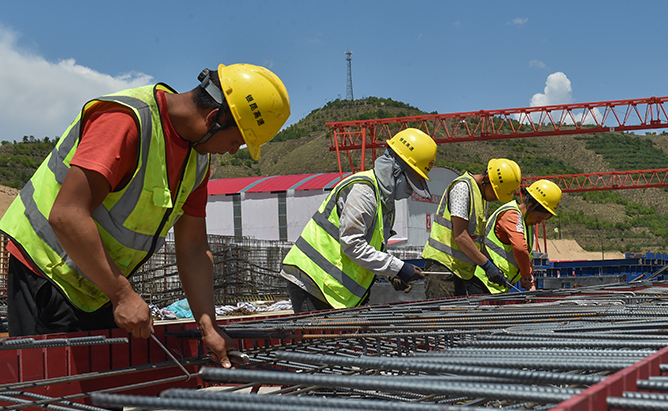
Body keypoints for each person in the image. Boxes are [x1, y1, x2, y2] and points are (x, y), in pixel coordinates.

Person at [0, 63, 291, 368]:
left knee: (105, 397)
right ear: (212, 120)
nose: (233, 152)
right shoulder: (126, 122)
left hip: (100, 284)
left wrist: (209, 326)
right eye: (237, 141)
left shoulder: (198, 162)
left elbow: (192, 247)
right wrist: (123, 295)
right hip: (48, 272)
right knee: (51, 398)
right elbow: (66, 214)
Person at [281, 128, 436, 312]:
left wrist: (390, 274)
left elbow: (371, 250)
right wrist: (398, 268)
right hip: (312, 280)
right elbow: (352, 245)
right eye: (410, 183)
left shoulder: (384, 204)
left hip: (331, 287)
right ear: (395, 170)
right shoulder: (364, 192)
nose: (410, 191)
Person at [422, 158, 522, 299]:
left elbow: (477, 241)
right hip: (443, 269)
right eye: (495, 193)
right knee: (442, 319)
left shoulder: (481, 197)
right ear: (487, 179)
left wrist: (492, 265)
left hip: (460, 272)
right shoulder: (462, 189)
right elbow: (461, 236)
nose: (495, 199)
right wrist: (486, 265)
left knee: (457, 320)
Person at [475, 179, 562, 293]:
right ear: (530, 207)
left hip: (496, 285)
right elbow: (520, 249)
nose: (539, 222)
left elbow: (526, 253)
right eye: (539, 217)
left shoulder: (525, 224)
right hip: (483, 281)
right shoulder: (511, 215)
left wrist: (526, 277)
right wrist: (526, 274)